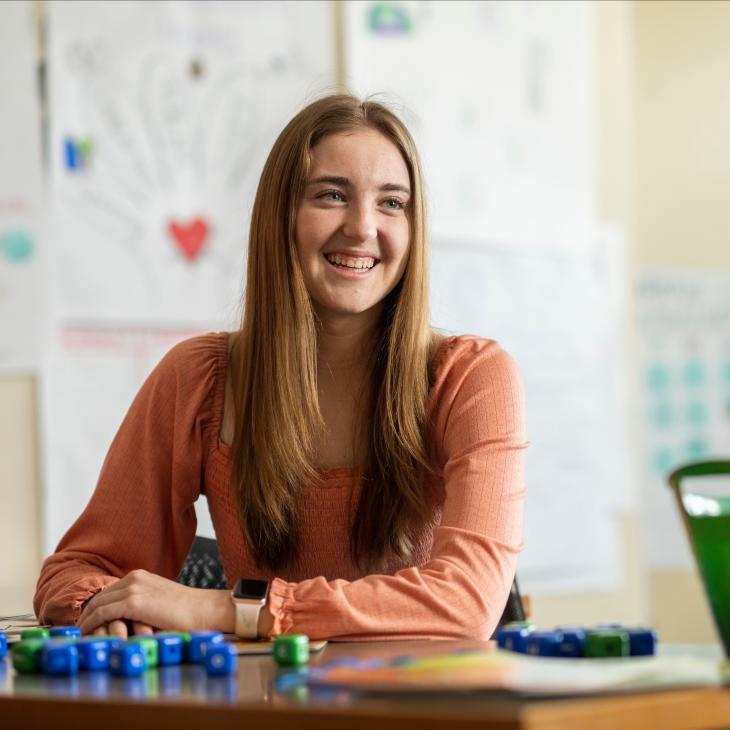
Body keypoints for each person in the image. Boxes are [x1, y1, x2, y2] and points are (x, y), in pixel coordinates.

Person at [34, 94, 527, 641]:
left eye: (392, 203)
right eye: (332, 195)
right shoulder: (198, 378)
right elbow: (74, 573)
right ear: (281, 216)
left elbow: (467, 602)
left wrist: (231, 611)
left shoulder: (473, 378)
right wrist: (112, 607)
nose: (363, 227)